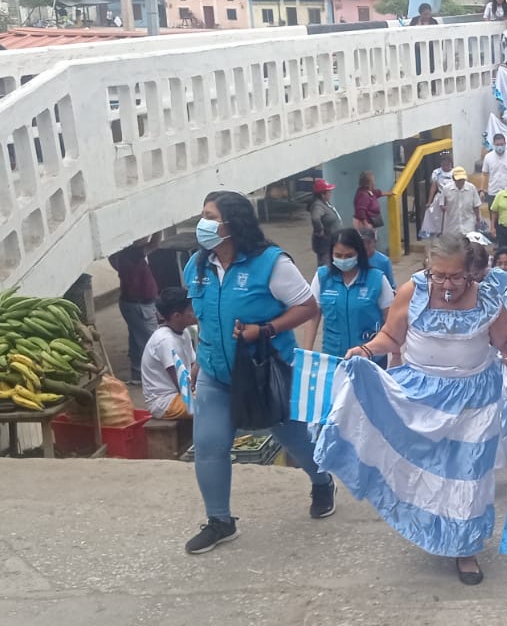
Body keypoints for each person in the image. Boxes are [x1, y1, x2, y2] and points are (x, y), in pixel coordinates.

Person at [315, 233, 507, 585]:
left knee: (468, 476)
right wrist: (366, 350)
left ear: (470, 272)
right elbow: (391, 337)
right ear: (428, 267)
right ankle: (432, 527)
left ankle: (465, 549)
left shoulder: (487, 298)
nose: (447, 284)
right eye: (438, 275)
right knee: (425, 469)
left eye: (455, 276)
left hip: (475, 402)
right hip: (421, 396)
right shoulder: (412, 292)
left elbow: (505, 342)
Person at [181, 191, 336, 554]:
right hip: (216, 374)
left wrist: (265, 329)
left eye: (210, 217)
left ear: (232, 224)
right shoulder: (197, 266)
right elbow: (205, 318)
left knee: (293, 439)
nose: (202, 224)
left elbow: (307, 307)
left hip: (264, 373)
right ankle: (220, 521)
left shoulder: (271, 263)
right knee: (209, 445)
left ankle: (321, 481)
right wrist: (199, 359)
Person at [305, 228, 395, 364]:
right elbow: (313, 317)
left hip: (370, 357)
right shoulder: (322, 278)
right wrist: (306, 353)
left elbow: (391, 320)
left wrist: (396, 354)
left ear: (359, 253)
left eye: (349, 255)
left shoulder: (377, 280)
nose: (343, 260)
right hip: (334, 358)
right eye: (338, 255)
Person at [140, 288, 198, 420]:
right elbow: (182, 385)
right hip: (165, 402)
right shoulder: (165, 341)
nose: (195, 312)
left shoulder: (184, 332)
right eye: (190, 309)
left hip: (182, 393)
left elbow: (193, 366)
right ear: (177, 316)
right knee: (211, 405)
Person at [109, 235, 161, 383]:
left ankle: (138, 373)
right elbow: (154, 244)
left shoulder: (121, 255)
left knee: (137, 339)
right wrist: (157, 227)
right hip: (139, 305)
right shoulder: (131, 254)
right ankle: (152, 376)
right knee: (152, 341)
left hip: (134, 304)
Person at [431, 167, 482, 236]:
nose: (461, 182)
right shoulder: (446, 189)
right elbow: (442, 204)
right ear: (453, 179)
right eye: (458, 180)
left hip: (468, 226)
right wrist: (443, 207)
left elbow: (476, 205)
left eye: (462, 179)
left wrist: (478, 219)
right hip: (452, 226)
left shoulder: (471, 188)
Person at [307, 179, 341, 267]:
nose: (330, 193)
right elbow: (315, 218)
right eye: (328, 192)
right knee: (325, 264)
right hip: (325, 243)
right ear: (322, 194)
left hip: (331, 241)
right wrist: (320, 231)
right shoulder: (318, 205)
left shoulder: (325, 202)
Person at [481, 132, 507, 199]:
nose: (499, 146)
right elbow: (484, 174)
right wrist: (482, 190)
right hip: (493, 192)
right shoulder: (488, 157)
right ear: (494, 144)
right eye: (497, 144)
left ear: (505, 143)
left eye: (501, 144)